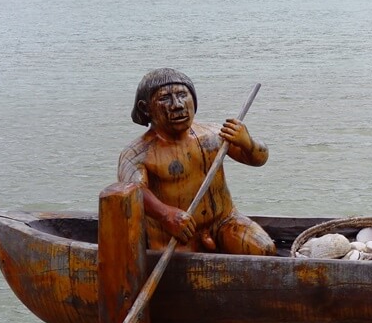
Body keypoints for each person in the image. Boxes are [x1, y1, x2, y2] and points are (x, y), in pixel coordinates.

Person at [118, 68, 276, 255]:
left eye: (183, 95)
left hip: (224, 221)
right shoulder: (138, 153)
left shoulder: (214, 135)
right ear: (146, 108)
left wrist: (247, 143)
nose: (177, 105)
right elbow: (132, 191)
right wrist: (166, 214)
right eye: (165, 98)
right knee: (185, 275)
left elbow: (259, 159)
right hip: (174, 233)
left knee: (264, 250)